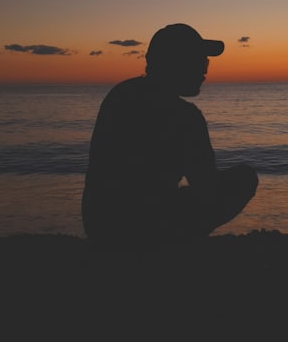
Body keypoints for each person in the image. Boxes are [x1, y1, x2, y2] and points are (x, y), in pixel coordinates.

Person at [81, 23, 258, 250]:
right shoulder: (185, 117)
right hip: (148, 229)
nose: (205, 68)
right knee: (244, 178)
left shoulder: (121, 94)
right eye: (198, 59)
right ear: (176, 63)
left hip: (100, 226)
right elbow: (206, 189)